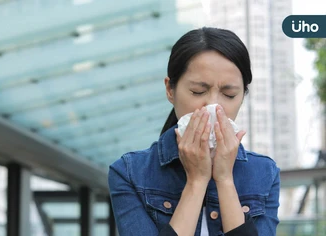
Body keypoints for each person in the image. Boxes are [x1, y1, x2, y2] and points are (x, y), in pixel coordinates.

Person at [108, 27, 280, 236]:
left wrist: (225, 179)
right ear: (170, 90)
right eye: (198, 92)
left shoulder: (264, 173)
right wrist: (196, 182)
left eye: (229, 94)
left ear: (242, 96)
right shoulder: (129, 173)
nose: (213, 106)